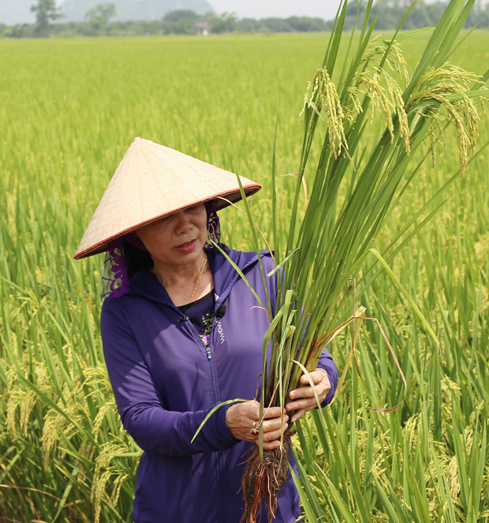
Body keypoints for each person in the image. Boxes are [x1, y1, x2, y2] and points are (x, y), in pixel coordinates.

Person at [74, 138, 338, 523]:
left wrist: (322, 379)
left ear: (209, 208)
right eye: (164, 217)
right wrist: (223, 422)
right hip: (176, 509)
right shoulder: (125, 312)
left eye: (193, 208)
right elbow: (142, 419)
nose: (185, 226)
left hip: (267, 501)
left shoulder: (262, 274)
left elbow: (315, 352)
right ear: (135, 233)